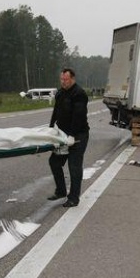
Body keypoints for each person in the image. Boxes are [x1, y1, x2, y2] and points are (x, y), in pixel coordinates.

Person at [47, 68, 90, 208]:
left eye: (66, 80)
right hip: (62, 135)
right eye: (61, 79)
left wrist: (72, 135)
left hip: (78, 135)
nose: (63, 82)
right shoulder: (60, 93)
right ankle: (61, 191)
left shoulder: (79, 94)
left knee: (74, 166)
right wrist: (51, 128)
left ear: (72, 79)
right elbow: (56, 112)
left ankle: (74, 198)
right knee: (54, 162)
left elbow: (79, 117)